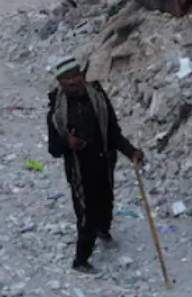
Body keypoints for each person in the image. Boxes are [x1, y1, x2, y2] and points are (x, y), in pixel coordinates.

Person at [46, 57, 143, 274]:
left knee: (106, 201)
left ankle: (103, 230)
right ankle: (80, 260)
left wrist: (131, 152)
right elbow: (53, 150)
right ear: (59, 83)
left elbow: (112, 130)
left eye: (74, 76)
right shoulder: (56, 112)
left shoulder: (98, 97)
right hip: (79, 169)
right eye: (66, 79)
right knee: (86, 214)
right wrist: (67, 143)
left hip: (104, 161)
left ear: (81, 75)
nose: (72, 82)